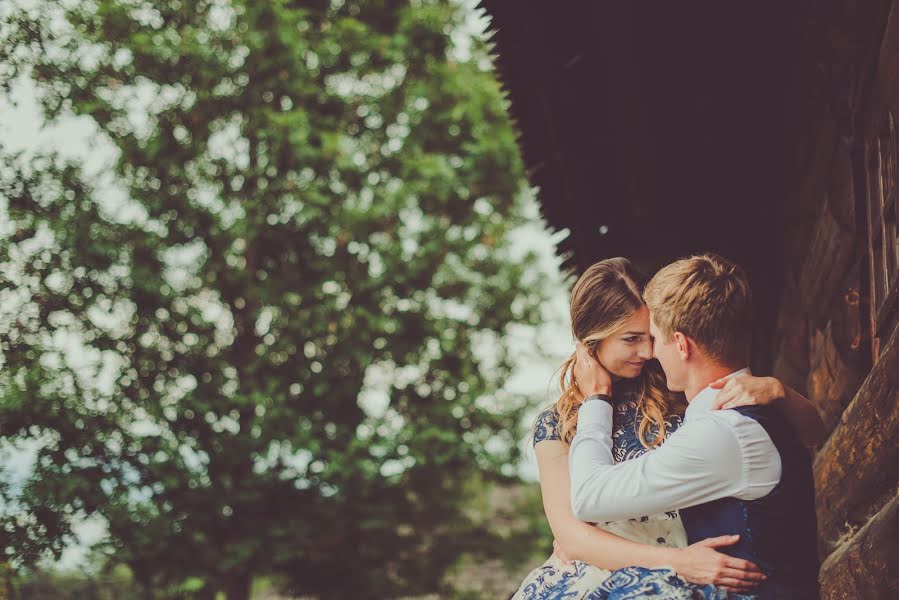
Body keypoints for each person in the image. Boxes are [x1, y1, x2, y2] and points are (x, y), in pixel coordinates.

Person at [511, 257, 823, 599]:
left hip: (693, 572)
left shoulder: (680, 385)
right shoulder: (558, 422)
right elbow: (573, 536)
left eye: (650, 337)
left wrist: (779, 391)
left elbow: (807, 435)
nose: (646, 351)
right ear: (590, 340)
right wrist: (674, 562)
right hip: (620, 575)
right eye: (631, 339)